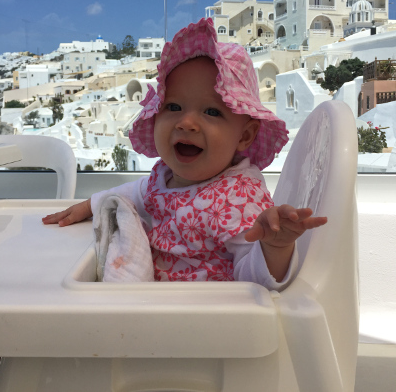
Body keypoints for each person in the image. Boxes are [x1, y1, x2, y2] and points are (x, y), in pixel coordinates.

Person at [43, 18, 327, 288]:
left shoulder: (239, 198)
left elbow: (254, 283)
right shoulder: (165, 176)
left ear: (244, 135)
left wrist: (274, 247)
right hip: (153, 307)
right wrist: (90, 205)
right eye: (174, 107)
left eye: (212, 111)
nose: (186, 123)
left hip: (201, 322)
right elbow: (135, 193)